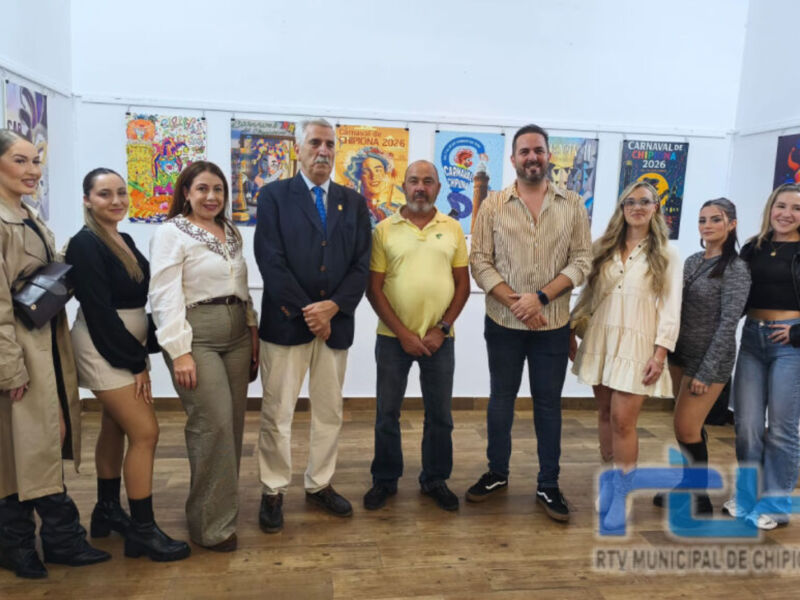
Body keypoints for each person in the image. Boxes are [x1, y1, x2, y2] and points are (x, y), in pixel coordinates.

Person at [468, 124, 592, 522]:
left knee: (548, 406)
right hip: (503, 322)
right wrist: (517, 303)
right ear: (514, 159)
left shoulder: (572, 205)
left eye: (538, 150)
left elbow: (582, 261)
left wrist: (539, 298)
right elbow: (480, 261)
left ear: (548, 156)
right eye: (524, 151)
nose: (532, 157)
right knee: (500, 401)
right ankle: (496, 473)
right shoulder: (492, 205)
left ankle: (548, 483)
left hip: (552, 325)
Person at [65, 168, 190, 561]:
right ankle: (142, 530)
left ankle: (105, 511)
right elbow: (100, 312)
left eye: (121, 192)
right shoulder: (85, 244)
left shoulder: (124, 237)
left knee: (115, 425)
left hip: (126, 343)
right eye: (105, 194)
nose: (116, 200)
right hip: (105, 344)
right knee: (146, 432)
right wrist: (135, 361)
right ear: (87, 200)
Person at [0, 129, 109, 579]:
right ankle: (16, 543)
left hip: (46, 344)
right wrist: (9, 368)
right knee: (16, 452)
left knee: (42, 442)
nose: (32, 171)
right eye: (21, 161)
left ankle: (61, 540)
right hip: (19, 353)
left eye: (36, 161)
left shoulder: (27, 216)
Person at [255, 118, 371, 533]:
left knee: (329, 411)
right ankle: (272, 490)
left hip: (335, 327)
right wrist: (310, 311)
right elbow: (270, 261)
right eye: (315, 143)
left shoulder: (353, 203)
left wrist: (333, 308)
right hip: (287, 324)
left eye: (329, 144)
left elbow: (362, 265)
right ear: (298, 150)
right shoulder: (273, 196)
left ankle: (319, 483)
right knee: (277, 412)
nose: (323, 150)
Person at [149, 161, 259, 551]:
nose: (211, 197)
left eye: (218, 189)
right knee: (211, 427)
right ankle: (210, 526)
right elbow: (163, 295)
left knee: (232, 427)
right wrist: (179, 352)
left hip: (237, 332)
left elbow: (243, 287)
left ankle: (220, 511)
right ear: (186, 192)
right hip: (198, 335)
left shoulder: (231, 232)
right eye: (202, 189)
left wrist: (253, 332)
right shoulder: (170, 232)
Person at [570, 181, 682, 532]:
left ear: (655, 208)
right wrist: (568, 330)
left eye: (644, 202)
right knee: (604, 413)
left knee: (623, 420)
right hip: (601, 339)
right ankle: (611, 479)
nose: (637, 207)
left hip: (638, 345)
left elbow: (671, 307)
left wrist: (660, 352)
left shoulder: (666, 254)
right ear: (622, 208)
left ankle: (621, 495)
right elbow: (588, 296)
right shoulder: (602, 248)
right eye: (630, 202)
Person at [363, 161, 470, 512]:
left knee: (440, 415)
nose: (420, 187)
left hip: (441, 340)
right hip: (393, 339)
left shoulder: (453, 228)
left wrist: (441, 329)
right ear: (403, 187)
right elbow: (374, 289)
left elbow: (463, 285)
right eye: (413, 181)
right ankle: (385, 479)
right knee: (386, 413)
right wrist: (404, 333)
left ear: (438, 188)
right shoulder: (383, 230)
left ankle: (435, 479)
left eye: (428, 181)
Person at [652, 198, 749, 514]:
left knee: (686, 427)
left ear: (731, 224)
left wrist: (707, 372)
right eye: (702, 220)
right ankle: (688, 483)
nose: (707, 225)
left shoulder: (736, 268)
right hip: (681, 355)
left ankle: (699, 495)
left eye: (715, 220)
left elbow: (728, 324)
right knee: (686, 426)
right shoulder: (693, 261)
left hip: (710, 360)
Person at [724, 183, 800, 530]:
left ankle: (777, 503)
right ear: (771, 207)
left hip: (791, 344)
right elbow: (735, 295)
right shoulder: (754, 248)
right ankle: (747, 496)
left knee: (782, 429)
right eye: (781, 206)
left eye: (796, 209)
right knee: (747, 427)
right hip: (753, 339)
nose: (787, 214)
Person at [343, 147, 405, 226]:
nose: (373, 176)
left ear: (385, 173)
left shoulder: (393, 211)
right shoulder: (352, 211)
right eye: (366, 171)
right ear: (359, 176)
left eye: (378, 170)